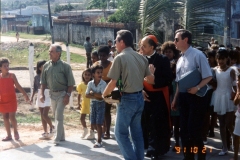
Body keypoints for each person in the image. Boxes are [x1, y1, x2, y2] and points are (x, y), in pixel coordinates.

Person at [102, 30, 155, 160]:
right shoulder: (141, 58)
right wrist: (152, 72)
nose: (114, 44)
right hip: (139, 99)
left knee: (120, 133)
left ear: (122, 42)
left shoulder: (120, 57)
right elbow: (151, 80)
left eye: (116, 41)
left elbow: (113, 82)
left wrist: (104, 95)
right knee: (136, 133)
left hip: (127, 99)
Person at [171, 29, 212, 160]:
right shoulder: (180, 59)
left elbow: (208, 76)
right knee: (184, 129)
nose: (174, 42)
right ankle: (188, 156)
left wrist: (197, 87)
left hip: (197, 97)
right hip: (183, 97)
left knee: (194, 129)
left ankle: (201, 156)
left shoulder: (198, 55)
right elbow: (179, 82)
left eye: (177, 39)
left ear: (185, 40)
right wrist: (175, 99)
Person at [140, 35, 172, 159]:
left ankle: (155, 150)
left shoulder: (162, 59)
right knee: (145, 122)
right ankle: (145, 146)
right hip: (144, 95)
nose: (141, 48)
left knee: (157, 124)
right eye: (141, 45)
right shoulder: (139, 58)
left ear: (152, 47)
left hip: (158, 96)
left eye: (144, 46)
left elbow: (168, 79)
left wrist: (153, 80)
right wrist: (141, 90)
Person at [40, 44, 75, 146]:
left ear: (58, 53)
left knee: (58, 115)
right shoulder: (46, 66)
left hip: (62, 94)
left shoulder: (65, 66)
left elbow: (71, 83)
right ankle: (62, 136)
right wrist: (42, 94)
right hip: (52, 94)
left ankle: (57, 138)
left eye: (51, 51)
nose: (49, 53)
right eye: (49, 51)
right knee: (56, 115)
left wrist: (67, 95)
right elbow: (43, 82)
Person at [211, 49, 237, 156]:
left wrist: (235, 94)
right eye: (218, 59)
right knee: (221, 124)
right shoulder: (214, 70)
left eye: (222, 59)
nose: (220, 61)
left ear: (227, 59)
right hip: (218, 97)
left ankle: (236, 144)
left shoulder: (231, 70)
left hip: (228, 97)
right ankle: (225, 147)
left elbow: (235, 85)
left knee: (229, 124)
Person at [0, 57, 29, 141]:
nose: (7, 67)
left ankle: (15, 131)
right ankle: (9, 135)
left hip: (12, 100)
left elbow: (18, 86)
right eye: (4, 66)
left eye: (7, 65)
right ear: (0, 68)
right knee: (5, 117)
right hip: (2, 100)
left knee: (12, 117)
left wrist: (25, 94)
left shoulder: (12, 76)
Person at [161, 41, 180, 152]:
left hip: (174, 94)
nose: (167, 54)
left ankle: (177, 143)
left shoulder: (177, 63)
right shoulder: (161, 63)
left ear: (174, 53)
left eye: (170, 52)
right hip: (164, 93)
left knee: (176, 121)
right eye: (166, 52)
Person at [30, 60, 55, 140]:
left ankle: (52, 127)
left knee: (45, 114)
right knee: (42, 115)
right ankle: (45, 132)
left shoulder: (49, 75)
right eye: (43, 66)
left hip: (47, 95)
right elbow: (35, 88)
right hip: (40, 94)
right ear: (39, 67)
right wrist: (32, 97)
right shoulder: (36, 77)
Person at [94, 46, 113, 139]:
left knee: (106, 111)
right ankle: (102, 129)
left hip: (108, 91)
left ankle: (108, 131)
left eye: (104, 55)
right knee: (99, 111)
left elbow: (114, 79)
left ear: (108, 55)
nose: (102, 57)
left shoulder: (112, 65)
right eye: (100, 55)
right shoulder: (95, 65)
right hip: (97, 91)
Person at [86, 65, 107, 147]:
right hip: (93, 104)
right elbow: (87, 95)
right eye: (98, 72)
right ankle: (101, 132)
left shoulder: (103, 83)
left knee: (98, 123)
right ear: (93, 74)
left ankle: (99, 141)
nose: (100, 74)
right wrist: (95, 95)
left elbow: (102, 96)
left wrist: (93, 93)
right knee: (93, 123)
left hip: (101, 104)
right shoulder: (90, 83)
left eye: (101, 72)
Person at [76, 68, 92, 139]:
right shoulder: (81, 85)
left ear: (91, 76)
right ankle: (85, 130)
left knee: (91, 119)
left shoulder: (92, 84)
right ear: (83, 75)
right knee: (82, 118)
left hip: (91, 103)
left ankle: (92, 133)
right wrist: (78, 103)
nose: (87, 76)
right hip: (84, 103)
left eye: (89, 75)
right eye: (85, 74)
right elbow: (79, 94)